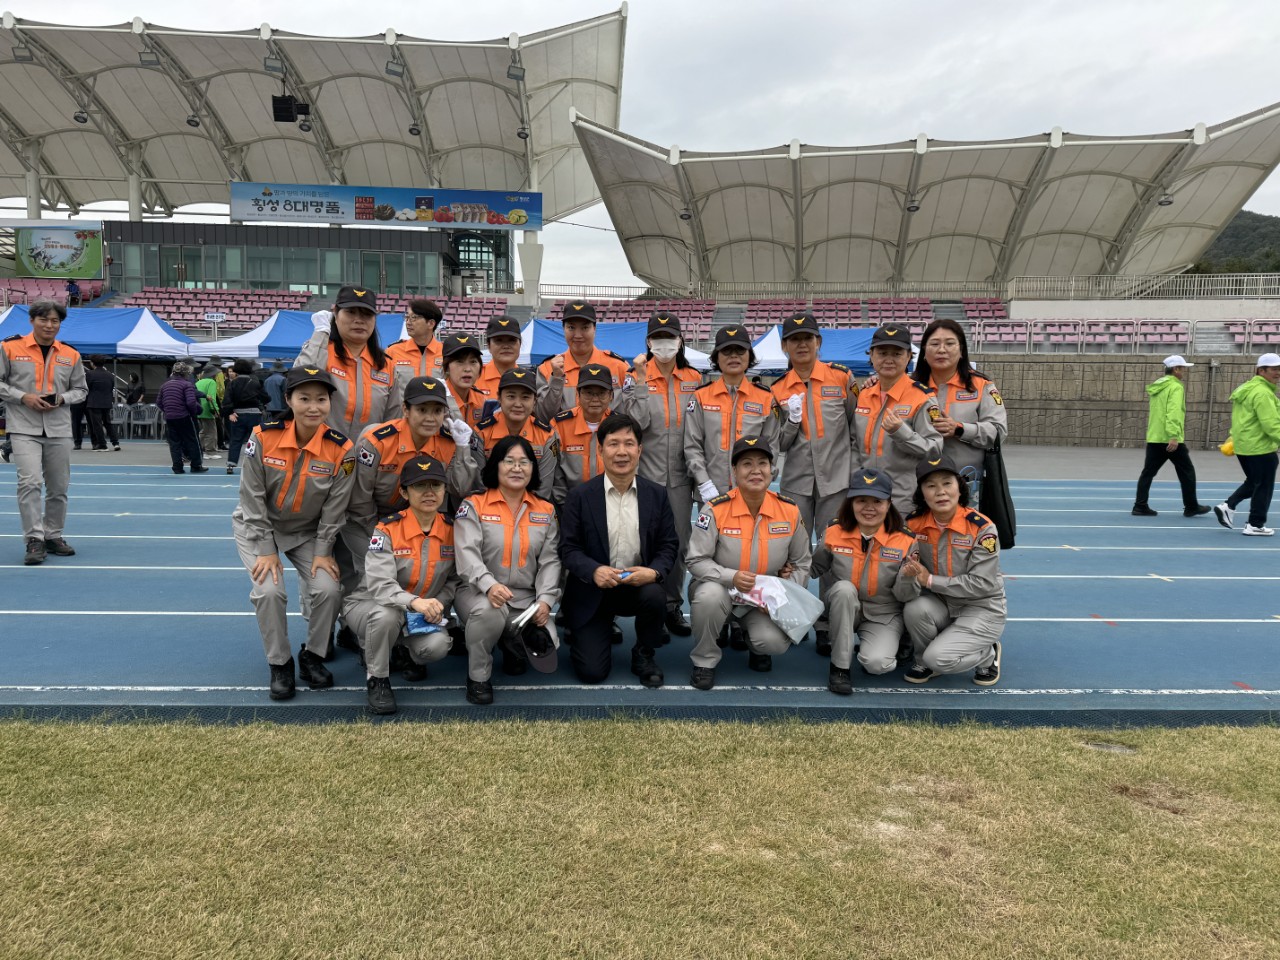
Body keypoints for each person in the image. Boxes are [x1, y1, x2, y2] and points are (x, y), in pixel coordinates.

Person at [232, 367, 355, 700]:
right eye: (304, 399)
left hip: (305, 532)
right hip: (257, 527)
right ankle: (280, 663)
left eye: (321, 399)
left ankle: (312, 654)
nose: (313, 407)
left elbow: (335, 507)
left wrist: (324, 551)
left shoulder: (341, 449)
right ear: (288, 400)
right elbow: (251, 497)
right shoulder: (262, 437)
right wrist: (266, 548)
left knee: (329, 588)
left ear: (329, 403)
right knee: (269, 592)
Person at [559, 413, 680, 687]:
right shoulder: (580, 496)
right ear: (600, 450)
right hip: (593, 589)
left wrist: (653, 572)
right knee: (592, 673)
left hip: (636, 586)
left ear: (640, 449)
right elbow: (569, 548)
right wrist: (594, 571)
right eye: (613, 444)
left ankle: (644, 653)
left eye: (629, 443)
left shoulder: (657, 495)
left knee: (654, 594)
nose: (622, 452)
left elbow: (668, 545)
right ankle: (588, 629)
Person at [686, 438, 812, 690]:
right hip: (721, 590)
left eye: (762, 463)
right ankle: (705, 660)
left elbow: (801, 562)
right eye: (747, 464)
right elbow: (696, 559)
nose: (756, 470)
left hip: (761, 602)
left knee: (773, 643)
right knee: (709, 597)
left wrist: (780, 594)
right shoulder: (715, 510)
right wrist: (730, 577)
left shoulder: (788, 510)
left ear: (771, 469)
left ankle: (754, 643)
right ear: (734, 471)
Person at [770, 313, 859, 654]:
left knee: (833, 550)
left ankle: (826, 624)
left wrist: (855, 473)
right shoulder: (778, 389)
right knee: (793, 554)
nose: (802, 344)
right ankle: (794, 618)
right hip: (797, 483)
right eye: (794, 339)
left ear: (818, 342)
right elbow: (778, 443)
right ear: (785, 347)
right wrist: (792, 421)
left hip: (836, 482)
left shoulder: (841, 377)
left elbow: (856, 425)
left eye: (808, 338)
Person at [343, 455, 459, 715]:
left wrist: (438, 603)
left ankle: (402, 650)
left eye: (436, 485)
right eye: (420, 486)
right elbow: (381, 586)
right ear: (405, 492)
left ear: (444, 490)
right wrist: (415, 602)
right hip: (369, 606)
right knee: (387, 615)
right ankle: (377, 679)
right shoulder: (387, 529)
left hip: (419, 613)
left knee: (438, 646)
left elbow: (455, 579)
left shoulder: (453, 530)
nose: (429, 492)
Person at [454, 435, 562, 705]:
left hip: (524, 599)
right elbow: (467, 555)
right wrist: (489, 585)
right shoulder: (474, 505)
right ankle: (478, 677)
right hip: (478, 594)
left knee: (548, 640)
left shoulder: (545, 510)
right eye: (509, 461)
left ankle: (510, 643)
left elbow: (550, 561)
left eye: (524, 462)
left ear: (533, 468)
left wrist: (545, 601)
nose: (517, 468)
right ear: (496, 466)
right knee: (489, 612)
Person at [615, 311, 704, 637]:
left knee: (678, 544)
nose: (664, 344)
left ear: (680, 341)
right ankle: (647, 608)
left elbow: (699, 429)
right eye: (658, 338)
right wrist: (641, 381)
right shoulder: (633, 376)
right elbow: (636, 424)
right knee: (644, 544)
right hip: (646, 477)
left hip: (681, 477)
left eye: (670, 338)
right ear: (649, 342)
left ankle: (671, 605)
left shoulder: (693, 378)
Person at [810, 469, 921, 695]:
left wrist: (907, 578)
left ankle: (897, 639)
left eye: (877, 501)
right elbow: (814, 567)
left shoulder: (905, 540)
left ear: (889, 504)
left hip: (883, 613)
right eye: (861, 500)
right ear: (851, 502)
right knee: (843, 589)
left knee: (877, 665)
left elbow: (906, 596)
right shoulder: (833, 532)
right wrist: (788, 569)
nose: (869, 508)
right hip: (843, 607)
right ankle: (839, 668)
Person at [348, 375, 480, 561]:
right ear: (405, 410)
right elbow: (360, 500)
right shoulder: (378, 442)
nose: (430, 418)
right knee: (376, 566)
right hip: (365, 520)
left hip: (415, 520)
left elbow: (460, 488)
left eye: (437, 411)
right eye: (422, 410)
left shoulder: (448, 443)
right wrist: (382, 534)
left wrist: (462, 448)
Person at [900, 456, 1005, 686]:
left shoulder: (982, 528)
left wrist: (930, 580)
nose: (940, 492)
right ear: (921, 493)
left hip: (980, 606)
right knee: (915, 608)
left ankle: (987, 655)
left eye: (947, 483)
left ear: (960, 487)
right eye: (931, 486)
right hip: (942, 603)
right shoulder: (914, 525)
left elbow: (982, 584)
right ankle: (924, 661)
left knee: (939, 658)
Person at [0, 300, 87, 565]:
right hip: (23, 427)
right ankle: (34, 539)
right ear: (32, 321)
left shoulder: (70, 354)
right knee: (30, 482)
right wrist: (22, 396)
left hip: (59, 429)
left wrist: (62, 398)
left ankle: (53, 535)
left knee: (59, 487)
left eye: (55, 321)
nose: (49, 325)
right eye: (44, 320)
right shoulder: (9, 347)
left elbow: (81, 390)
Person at [911, 318, 1008, 504]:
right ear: (924, 351)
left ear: (961, 350)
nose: (942, 350)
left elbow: (998, 431)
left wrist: (960, 429)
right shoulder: (909, 387)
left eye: (949, 343)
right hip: (917, 484)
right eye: (934, 344)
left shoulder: (981, 386)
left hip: (965, 484)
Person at [853, 322, 942, 514]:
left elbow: (934, 449)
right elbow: (854, 443)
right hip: (865, 495)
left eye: (897, 354)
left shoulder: (922, 397)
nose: (889, 359)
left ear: (909, 356)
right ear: (871, 355)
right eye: (882, 353)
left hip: (902, 499)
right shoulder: (865, 394)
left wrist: (901, 433)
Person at [684, 325, 779, 502]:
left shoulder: (766, 398)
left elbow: (772, 446)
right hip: (710, 492)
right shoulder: (700, 397)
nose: (733, 356)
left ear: (749, 355)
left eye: (740, 350)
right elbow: (692, 446)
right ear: (716, 357)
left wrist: (764, 479)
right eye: (726, 351)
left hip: (752, 492)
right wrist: (704, 482)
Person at [299, 285, 394, 439]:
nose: (359, 320)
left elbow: (393, 417)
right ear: (335, 314)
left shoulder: (386, 365)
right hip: (322, 448)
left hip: (369, 451)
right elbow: (299, 383)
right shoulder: (321, 351)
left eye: (367, 314)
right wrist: (320, 335)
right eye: (351, 312)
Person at [1131, 355, 1212, 518]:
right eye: (1183, 368)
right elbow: (1173, 412)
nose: (1184, 372)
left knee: (1148, 473)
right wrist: (1174, 436)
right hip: (1170, 438)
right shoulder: (1175, 387)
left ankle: (1140, 505)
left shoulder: (1158, 386)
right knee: (1187, 472)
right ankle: (1191, 506)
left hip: (1155, 436)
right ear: (1175, 369)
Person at [1214, 353, 1280, 536]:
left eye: (1279, 369)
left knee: (1254, 482)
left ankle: (1228, 505)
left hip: (1244, 446)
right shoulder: (1263, 393)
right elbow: (1271, 424)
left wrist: (1233, 438)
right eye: (1274, 369)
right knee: (1264, 486)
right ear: (1261, 371)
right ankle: (1255, 524)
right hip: (1260, 447)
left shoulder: (1247, 388)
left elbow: (1240, 418)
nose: (1278, 372)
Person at [535, 301, 630, 421]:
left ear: (594, 328)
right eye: (571, 328)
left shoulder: (619, 367)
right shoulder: (547, 369)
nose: (578, 335)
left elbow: (632, 415)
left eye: (585, 327)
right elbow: (543, 417)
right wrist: (556, 380)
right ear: (563, 329)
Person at [476, 367, 558, 502]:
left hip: (532, 506)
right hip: (489, 506)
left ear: (535, 401)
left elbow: (543, 489)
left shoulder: (547, 436)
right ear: (499, 398)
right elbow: (479, 485)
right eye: (511, 396)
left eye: (525, 397)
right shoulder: (481, 433)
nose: (518, 404)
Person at [552, 365, 615, 504]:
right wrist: (567, 506)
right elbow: (556, 476)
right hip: (571, 504)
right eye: (589, 393)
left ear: (611, 396)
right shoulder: (560, 425)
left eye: (601, 393)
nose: (595, 399)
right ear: (578, 394)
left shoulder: (620, 426)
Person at [387, 298, 445, 404]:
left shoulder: (446, 353)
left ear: (431, 323)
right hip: (401, 413)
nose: (408, 322)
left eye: (414, 318)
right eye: (407, 317)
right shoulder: (392, 352)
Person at [156, 362, 207, 475]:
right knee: (192, 441)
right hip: (184, 416)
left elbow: (159, 402)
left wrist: (168, 410)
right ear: (185, 373)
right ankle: (196, 465)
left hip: (170, 417)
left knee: (174, 443)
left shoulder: (164, 385)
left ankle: (177, 467)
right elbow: (191, 402)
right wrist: (195, 412)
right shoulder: (187, 385)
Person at [222, 357, 266, 475]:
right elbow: (266, 398)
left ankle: (231, 464)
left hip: (238, 414)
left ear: (236, 370)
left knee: (235, 440)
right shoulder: (255, 382)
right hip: (254, 414)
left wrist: (230, 412)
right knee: (254, 440)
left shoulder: (232, 383)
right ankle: (253, 464)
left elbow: (226, 401)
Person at [438, 335, 489, 428]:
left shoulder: (482, 401)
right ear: (447, 367)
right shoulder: (437, 399)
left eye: (473, 362)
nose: (467, 369)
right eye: (459, 362)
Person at [475, 315, 524, 398]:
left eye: (512, 340)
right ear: (489, 346)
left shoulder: (530, 379)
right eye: (499, 340)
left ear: (520, 344)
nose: (506, 346)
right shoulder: (474, 377)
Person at [83, 355, 121, 452]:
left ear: (92, 363)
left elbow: (86, 387)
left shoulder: (90, 374)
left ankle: (102, 445)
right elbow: (111, 387)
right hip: (106, 402)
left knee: (97, 424)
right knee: (108, 423)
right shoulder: (110, 375)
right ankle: (115, 443)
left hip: (94, 402)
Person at [194, 365, 222, 461]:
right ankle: (210, 452)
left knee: (203, 431)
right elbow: (211, 397)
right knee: (211, 432)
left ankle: (200, 449)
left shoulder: (198, 382)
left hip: (199, 409)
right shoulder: (211, 382)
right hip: (207, 409)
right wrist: (215, 410)